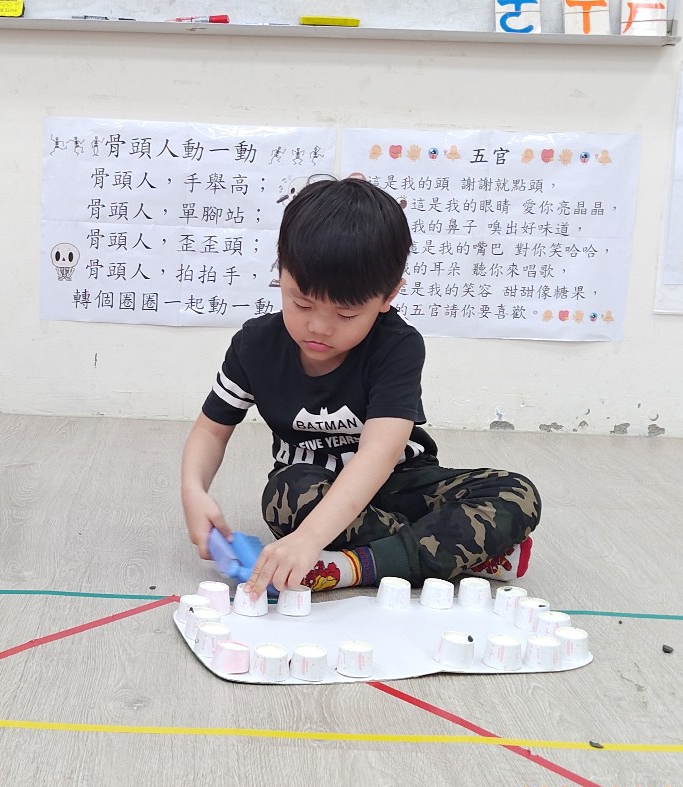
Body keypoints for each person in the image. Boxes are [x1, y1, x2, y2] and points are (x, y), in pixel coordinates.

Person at [180, 177, 540, 599]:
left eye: (346, 314)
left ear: (389, 296)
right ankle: (447, 552)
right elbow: (211, 430)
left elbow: (379, 454)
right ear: (281, 272)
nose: (318, 327)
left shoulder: (398, 346)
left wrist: (308, 541)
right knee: (287, 494)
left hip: (399, 484)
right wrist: (193, 489)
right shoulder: (255, 346)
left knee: (517, 494)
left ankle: (350, 567)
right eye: (301, 303)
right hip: (313, 491)